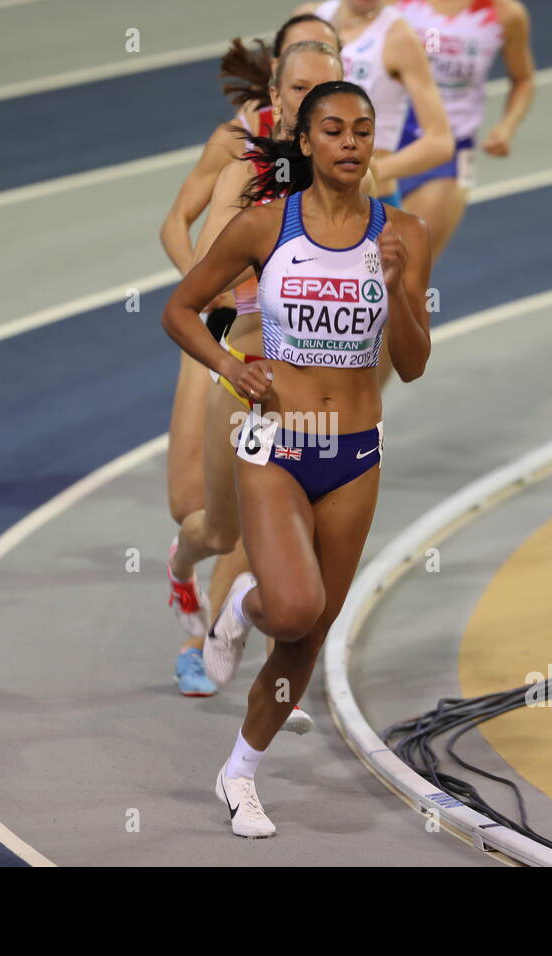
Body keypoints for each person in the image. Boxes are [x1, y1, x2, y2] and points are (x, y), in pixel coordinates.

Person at [162, 81, 432, 837]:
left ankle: (239, 775)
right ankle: (247, 601)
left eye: (363, 131)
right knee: (294, 608)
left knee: (307, 638)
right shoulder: (262, 227)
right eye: (334, 130)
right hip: (275, 443)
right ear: (307, 144)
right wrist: (228, 365)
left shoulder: (404, 232)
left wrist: (399, 285)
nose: (350, 142)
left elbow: (411, 363)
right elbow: (179, 310)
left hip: (354, 454)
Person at [159, 15, 341, 698]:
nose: (312, 99)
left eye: (327, 86)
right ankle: (182, 577)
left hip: (278, 354)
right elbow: (178, 226)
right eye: (299, 87)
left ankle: (212, 640)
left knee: (254, 499)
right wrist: (207, 293)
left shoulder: (343, 153)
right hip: (217, 331)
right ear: (276, 83)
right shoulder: (242, 146)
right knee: (194, 510)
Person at [395, 0, 535, 259]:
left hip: (449, 153)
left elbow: (523, 80)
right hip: (383, 141)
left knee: (408, 265)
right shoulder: (398, 4)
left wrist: (507, 126)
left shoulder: (506, 14)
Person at [298, 0, 453, 208]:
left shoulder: (399, 39)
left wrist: (371, 171)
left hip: (371, 202)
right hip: (306, 197)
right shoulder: (307, 20)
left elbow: (440, 141)